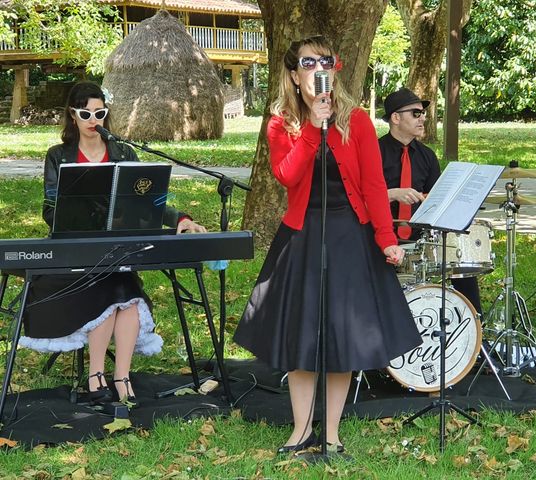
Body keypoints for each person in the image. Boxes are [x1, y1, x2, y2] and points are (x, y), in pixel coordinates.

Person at [233, 36, 421, 454]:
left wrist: (386, 240)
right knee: (302, 338)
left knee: (344, 340)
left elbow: (374, 187)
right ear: (294, 75)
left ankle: (331, 435)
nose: (320, 69)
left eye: (327, 61)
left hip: (350, 237)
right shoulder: (281, 122)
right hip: (302, 237)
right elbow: (287, 176)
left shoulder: (356, 122)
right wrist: (314, 130)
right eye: (308, 62)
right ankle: (301, 431)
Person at [19, 81, 205, 406]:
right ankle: (95, 376)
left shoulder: (123, 152)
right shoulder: (58, 155)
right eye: (86, 113)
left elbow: (150, 202)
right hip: (75, 253)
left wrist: (180, 219)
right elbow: (51, 211)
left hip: (115, 252)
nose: (94, 120)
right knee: (110, 288)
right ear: (72, 115)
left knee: (126, 295)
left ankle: (121, 376)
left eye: (100, 113)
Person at [379, 87, 484, 315]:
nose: (423, 118)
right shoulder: (375, 151)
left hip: (420, 239)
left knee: (460, 266)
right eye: (416, 113)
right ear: (395, 118)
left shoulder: (427, 156)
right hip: (381, 239)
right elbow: (359, 198)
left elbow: (437, 201)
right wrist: (392, 193)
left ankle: (475, 327)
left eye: (423, 113)